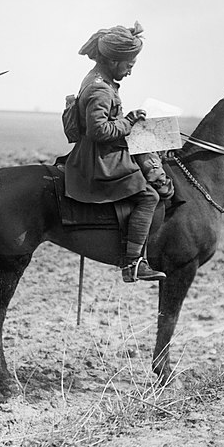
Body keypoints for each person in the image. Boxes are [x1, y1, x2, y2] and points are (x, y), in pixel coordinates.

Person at [64, 21, 166, 283]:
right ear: (113, 62)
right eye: (129, 66)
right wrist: (130, 121)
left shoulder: (99, 79)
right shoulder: (100, 89)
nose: (130, 71)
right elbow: (98, 131)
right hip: (99, 160)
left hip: (103, 151)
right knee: (149, 197)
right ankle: (132, 263)